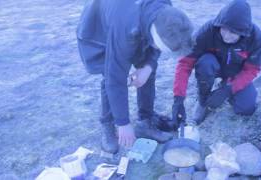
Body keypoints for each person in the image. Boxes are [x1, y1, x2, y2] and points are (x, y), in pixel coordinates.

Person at [77, 0, 193, 153]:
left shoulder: (166, 9)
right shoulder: (125, 29)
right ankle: (108, 123)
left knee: (147, 69)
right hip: (99, 26)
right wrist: (123, 123)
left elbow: (156, 45)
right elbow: (115, 78)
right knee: (109, 76)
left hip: (134, 19)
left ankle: (145, 121)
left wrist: (148, 66)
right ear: (153, 36)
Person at [172, 0, 261, 125]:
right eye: (224, 29)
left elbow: (252, 70)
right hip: (213, 67)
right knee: (206, 62)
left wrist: (228, 89)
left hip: (236, 72)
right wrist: (178, 98)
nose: (226, 36)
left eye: (233, 32)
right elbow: (185, 64)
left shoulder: (254, 37)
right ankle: (202, 101)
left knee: (246, 109)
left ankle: (224, 87)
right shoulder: (207, 31)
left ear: (243, 32)